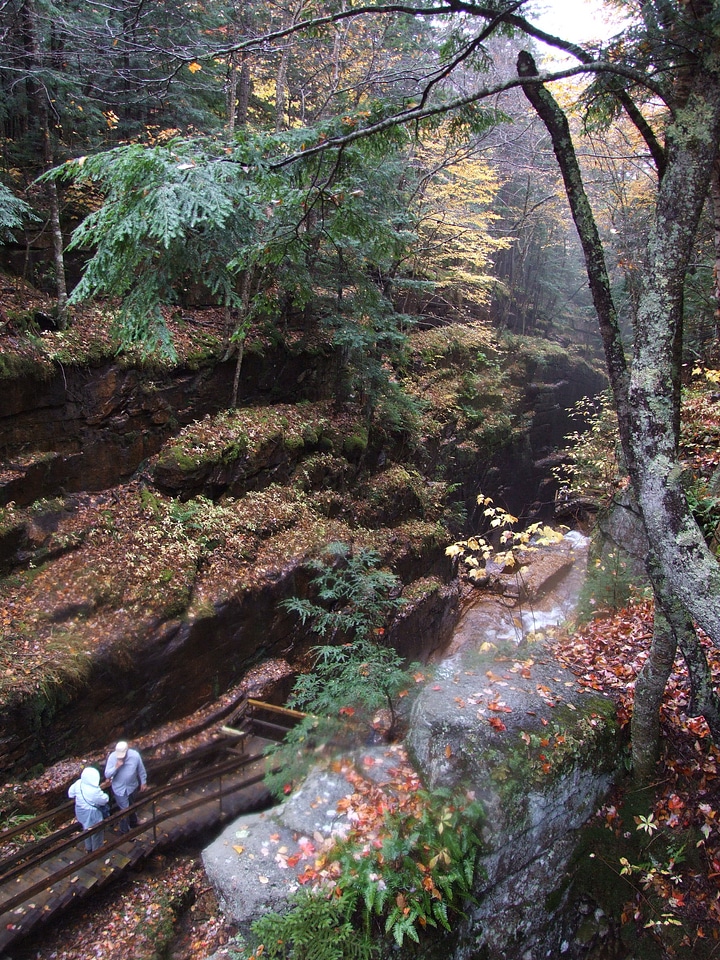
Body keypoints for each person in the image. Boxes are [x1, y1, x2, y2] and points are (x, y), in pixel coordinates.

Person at [104, 740, 147, 834]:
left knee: (131, 806)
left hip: (132, 787)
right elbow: (107, 774)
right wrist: (116, 767)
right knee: (125, 810)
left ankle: (134, 822)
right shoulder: (112, 757)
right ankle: (125, 831)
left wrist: (143, 782)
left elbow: (141, 769)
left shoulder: (135, 756)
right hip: (119, 789)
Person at [68, 766, 109, 852]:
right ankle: (97, 851)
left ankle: (89, 848)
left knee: (86, 829)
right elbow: (104, 800)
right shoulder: (94, 791)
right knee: (96, 832)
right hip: (92, 814)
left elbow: (70, 794)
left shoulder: (78, 783)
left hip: (80, 811)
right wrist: (105, 794)